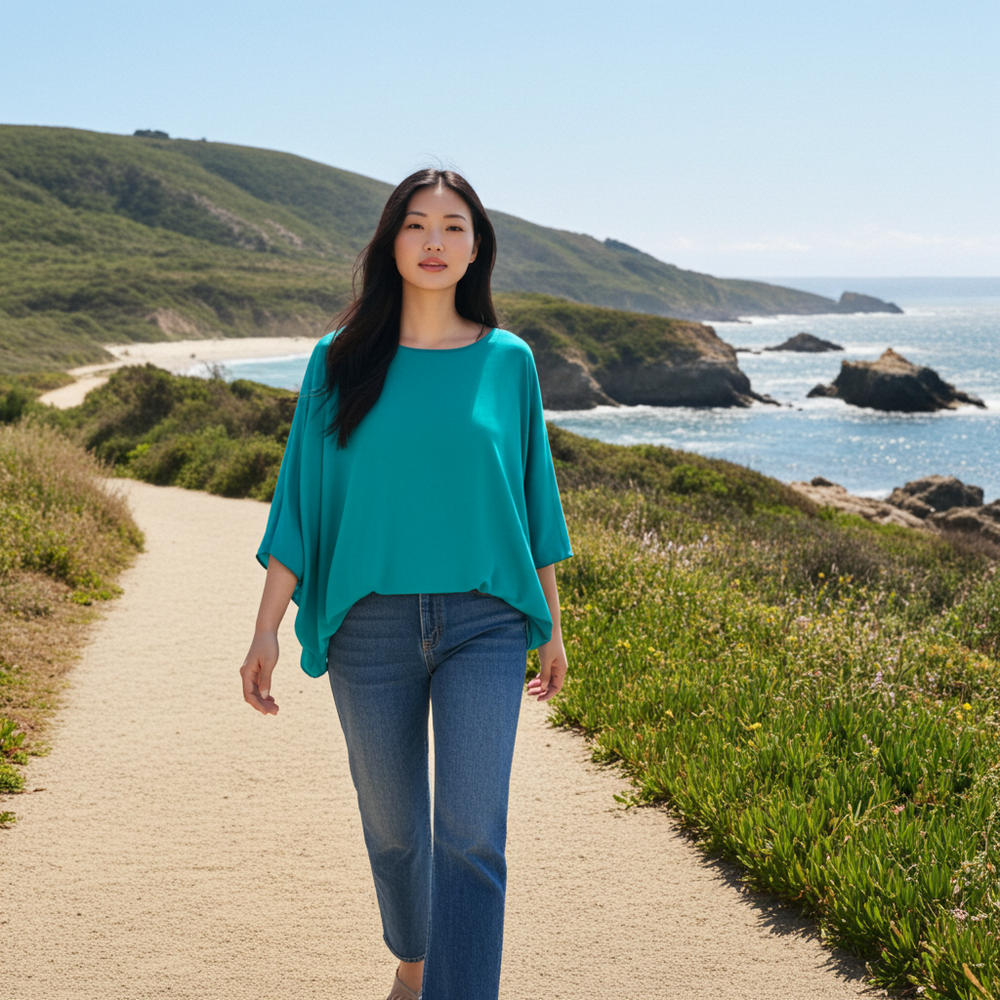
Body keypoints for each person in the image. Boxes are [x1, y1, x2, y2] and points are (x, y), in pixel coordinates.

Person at [239, 168, 573, 1000]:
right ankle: (416, 962)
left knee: (471, 833)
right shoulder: (338, 360)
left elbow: (536, 507)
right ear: (391, 242)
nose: (434, 241)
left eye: (453, 226)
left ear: (476, 248)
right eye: (416, 224)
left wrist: (552, 628)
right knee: (395, 832)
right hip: (369, 627)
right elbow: (303, 505)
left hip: (485, 623)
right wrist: (266, 628)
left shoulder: (509, 362)